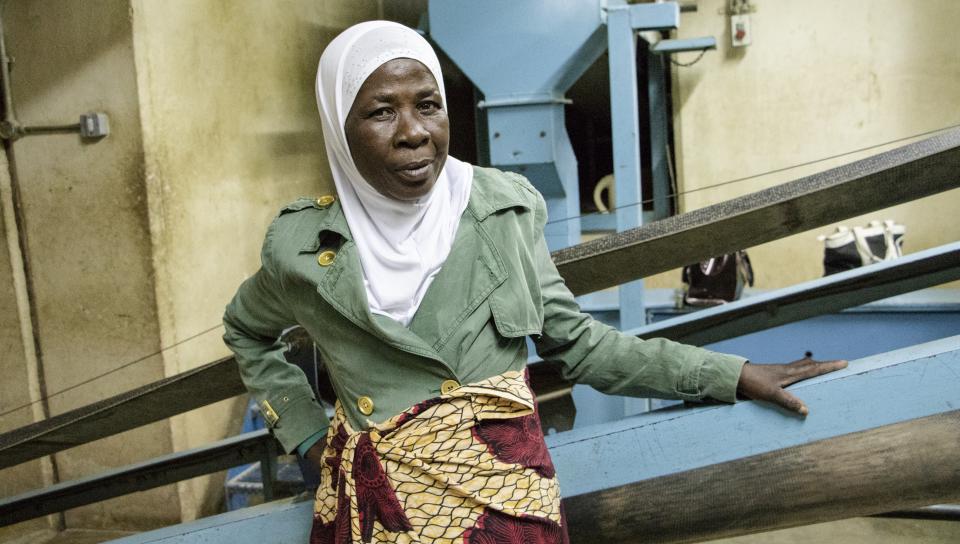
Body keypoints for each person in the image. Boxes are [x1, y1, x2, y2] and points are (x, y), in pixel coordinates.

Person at [222, 20, 846, 544]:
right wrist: (306, 435)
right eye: (381, 112)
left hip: (509, 507)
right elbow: (247, 330)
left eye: (428, 104)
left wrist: (730, 375)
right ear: (338, 126)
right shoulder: (304, 250)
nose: (414, 131)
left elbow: (581, 345)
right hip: (381, 514)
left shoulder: (499, 211)